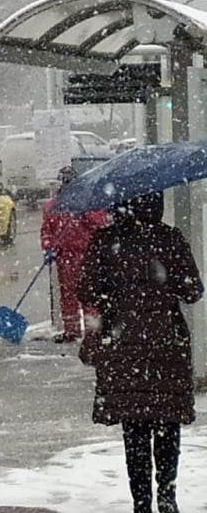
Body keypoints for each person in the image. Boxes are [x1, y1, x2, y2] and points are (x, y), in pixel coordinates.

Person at [79, 191, 204, 513]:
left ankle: (141, 502)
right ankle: (167, 495)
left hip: (123, 344)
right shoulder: (169, 238)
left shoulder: (105, 241)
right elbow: (193, 291)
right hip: (166, 343)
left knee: (133, 427)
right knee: (166, 422)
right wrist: (167, 280)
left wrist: (113, 292)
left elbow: (87, 289)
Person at [40, 165, 107, 342]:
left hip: (86, 256)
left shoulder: (86, 203)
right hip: (65, 258)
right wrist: (49, 247)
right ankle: (72, 330)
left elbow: (99, 224)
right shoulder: (53, 206)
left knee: (88, 294)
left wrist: (84, 213)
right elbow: (47, 230)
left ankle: (92, 331)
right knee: (69, 296)